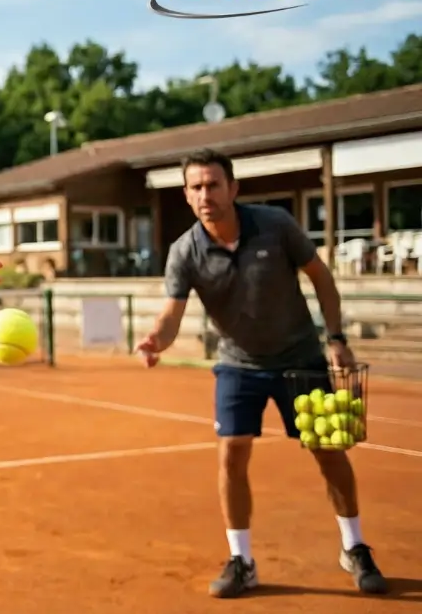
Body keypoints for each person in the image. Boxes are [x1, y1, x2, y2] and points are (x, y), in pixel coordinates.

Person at [134, 148, 388, 599]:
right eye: (196, 187)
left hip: (300, 358)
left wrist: (336, 338)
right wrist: (156, 340)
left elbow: (321, 277)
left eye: (213, 184)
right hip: (239, 363)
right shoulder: (185, 251)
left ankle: (354, 547)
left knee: (328, 451)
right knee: (231, 453)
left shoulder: (275, 225)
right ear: (187, 196)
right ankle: (242, 560)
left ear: (233, 188)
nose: (205, 194)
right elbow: (171, 314)